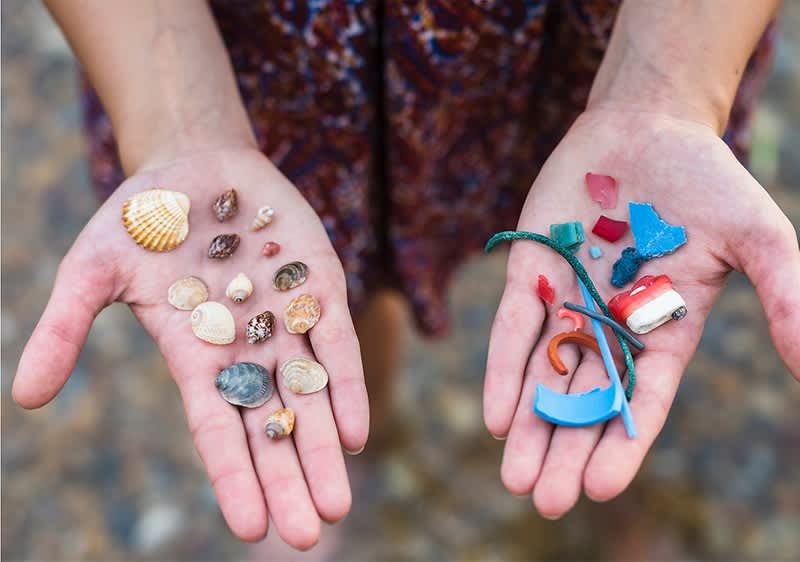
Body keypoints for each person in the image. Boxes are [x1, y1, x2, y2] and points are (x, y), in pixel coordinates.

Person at [13, 0, 799, 551]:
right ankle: (364, 440)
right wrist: (179, 118)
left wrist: (667, 88)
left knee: (629, 321)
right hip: (269, 51)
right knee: (328, 280)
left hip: (592, 38)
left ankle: (609, 480)